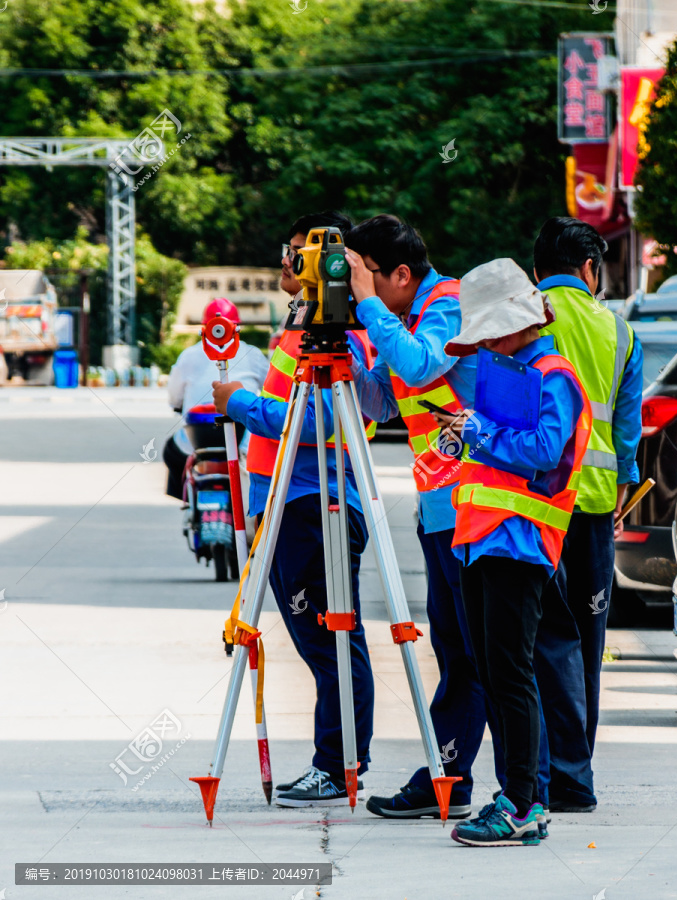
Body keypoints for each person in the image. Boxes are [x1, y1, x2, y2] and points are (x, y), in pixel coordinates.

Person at [211, 211, 391, 808]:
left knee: (332, 638)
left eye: (299, 254)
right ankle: (337, 758)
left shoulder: (349, 331)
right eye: (291, 253)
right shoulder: (300, 322)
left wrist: (240, 405)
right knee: (320, 639)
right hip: (288, 499)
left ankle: (339, 764)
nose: (289, 264)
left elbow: (320, 418)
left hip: (319, 503)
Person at [437, 257, 591, 847]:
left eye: (485, 333)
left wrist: (480, 432)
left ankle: (523, 803)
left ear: (508, 324)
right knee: (494, 672)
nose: (481, 344)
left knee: (510, 673)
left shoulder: (553, 375)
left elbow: (547, 450)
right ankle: (517, 795)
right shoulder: (505, 370)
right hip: (481, 540)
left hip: (520, 544)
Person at [344, 215, 487, 820]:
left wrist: (369, 310)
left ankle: (449, 775)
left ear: (401, 274)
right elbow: (379, 399)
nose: (359, 290)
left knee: (472, 652)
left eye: (366, 277)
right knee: (454, 646)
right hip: (440, 506)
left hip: (475, 507)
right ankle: (447, 774)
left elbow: (424, 365)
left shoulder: (445, 303)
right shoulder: (397, 317)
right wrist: (340, 350)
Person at [532, 216, 642, 812]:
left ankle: (540, 776)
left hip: (533, 503)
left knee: (543, 639)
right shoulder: (619, 331)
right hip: (596, 507)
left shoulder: (523, 317)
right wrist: (625, 487)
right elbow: (627, 430)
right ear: (590, 271)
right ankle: (576, 779)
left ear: (536, 271)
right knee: (586, 640)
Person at [164, 298, 268, 500]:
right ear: (237, 327)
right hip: (244, 438)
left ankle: (187, 502)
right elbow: (269, 389)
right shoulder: (253, 354)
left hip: (198, 438)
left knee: (172, 452)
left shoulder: (189, 355)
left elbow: (174, 397)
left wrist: (178, 406)